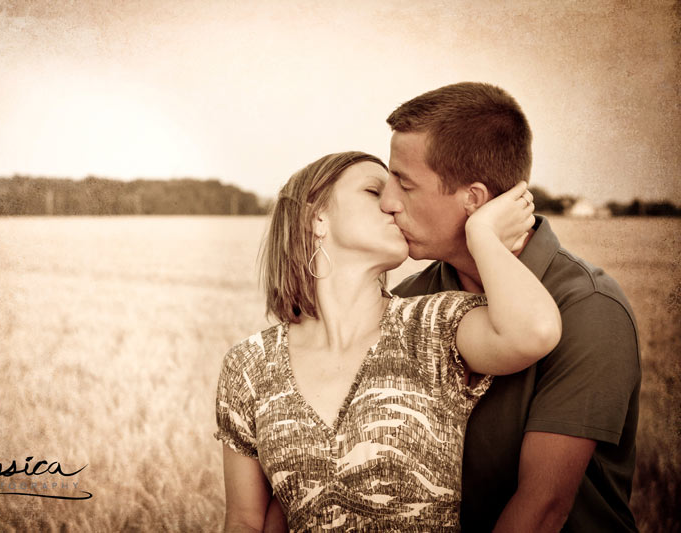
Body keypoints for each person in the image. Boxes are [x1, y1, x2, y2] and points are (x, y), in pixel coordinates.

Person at [213, 150, 562, 532]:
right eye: (373, 191)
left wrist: (481, 234)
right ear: (317, 217)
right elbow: (245, 521)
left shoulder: (432, 326)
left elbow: (535, 331)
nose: (394, 205)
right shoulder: (249, 365)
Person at [379, 82, 641, 532]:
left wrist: (484, 242)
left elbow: (542, 510)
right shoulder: (407, 303)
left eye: (404, 183)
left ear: (474, 200)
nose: (387, 202)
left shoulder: (590, 309)